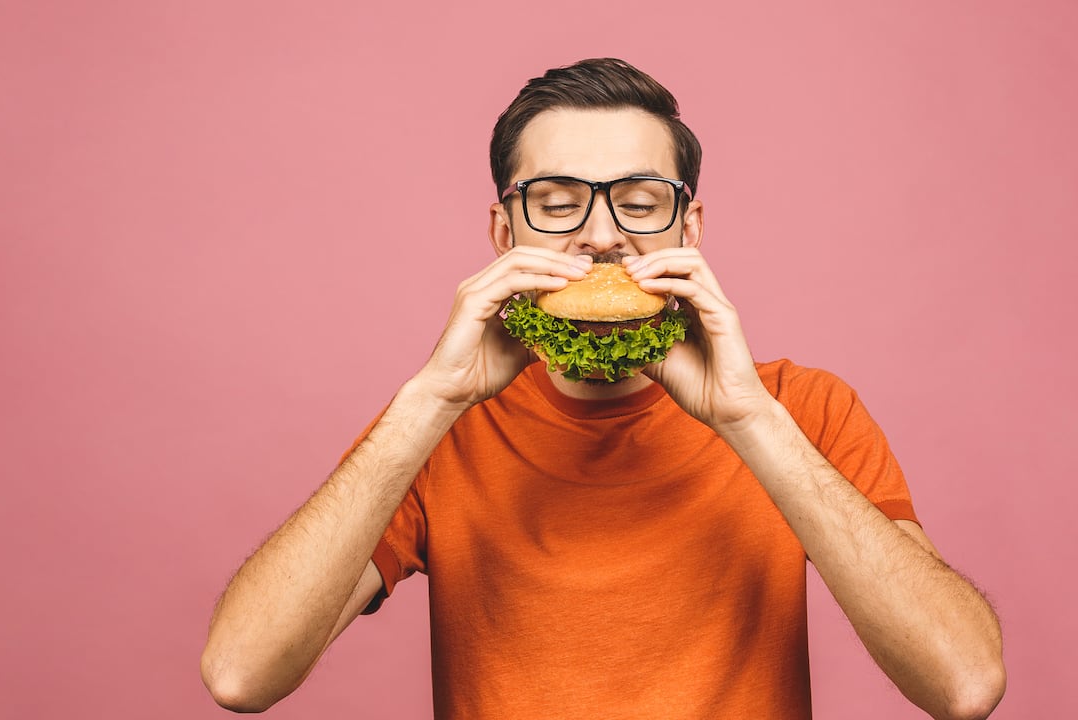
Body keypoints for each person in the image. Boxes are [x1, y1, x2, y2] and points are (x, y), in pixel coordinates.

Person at [200, 58, 1005, 719]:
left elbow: (964, 686)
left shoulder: (802, 407)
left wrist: (748, 419)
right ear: (501, 234)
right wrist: (431, 400)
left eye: (640, 201)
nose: (600, 233)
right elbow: (241, 675)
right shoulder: (439, 423)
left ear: (689, 231)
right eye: (555, 204)